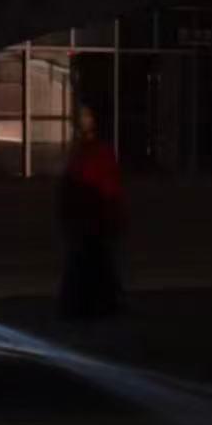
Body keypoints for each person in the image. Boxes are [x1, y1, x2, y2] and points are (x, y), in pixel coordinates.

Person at [58, 104, 124, 318]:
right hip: (87, 219)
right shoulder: (83, 152)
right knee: (92, 264)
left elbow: (107, 186)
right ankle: (95, 306)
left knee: (91, 263)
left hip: (93, 218)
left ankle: (90, 307)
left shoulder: (94, 153)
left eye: (86, 116)